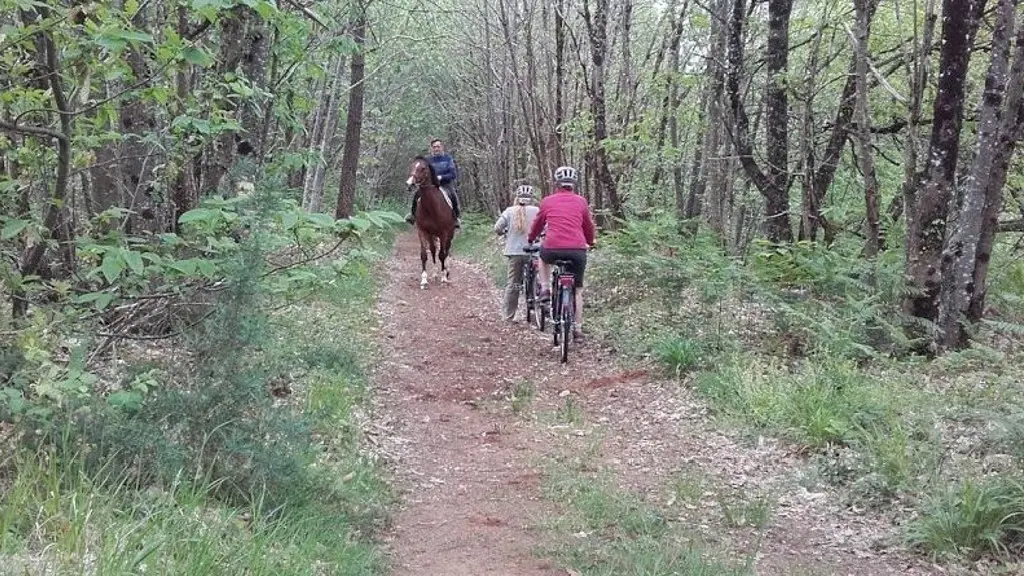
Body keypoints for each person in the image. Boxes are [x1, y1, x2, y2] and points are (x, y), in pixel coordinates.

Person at [527, 166, 596, 342]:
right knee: (578, 290)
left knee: (542, 258)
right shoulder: (581, 202)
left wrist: (531, 238)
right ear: (574, 184)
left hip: (552, 247)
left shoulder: (547, 201)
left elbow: (537, 224)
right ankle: (578, 330)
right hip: (577, 250)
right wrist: (591, 241)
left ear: (556, 183)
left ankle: (545, 288)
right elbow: (588, 226)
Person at [494, 184, 540, 322]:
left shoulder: (509, 211)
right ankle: (539, 310)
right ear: (531, 198)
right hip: (534, 251)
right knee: (539, 279)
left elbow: (497, 228)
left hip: (515, 252)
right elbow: (546, 227)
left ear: (517, 197)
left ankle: (509, 316)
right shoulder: (537, 210)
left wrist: (505, 232)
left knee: (513, 284)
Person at [407, 138, 462, 228]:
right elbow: (422, 173)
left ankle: (456, 218)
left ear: (442, 147)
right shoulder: (428, 161)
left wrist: (441, 177)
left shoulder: (448, 159)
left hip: (445, 184)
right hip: (431, 185)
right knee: (417, 196)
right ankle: (412, 215)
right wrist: (414, 179)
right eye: (434, 147)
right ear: (431, 148)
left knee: (453, 196)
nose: (436, 149)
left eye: (438, 147)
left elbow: (452, 174)